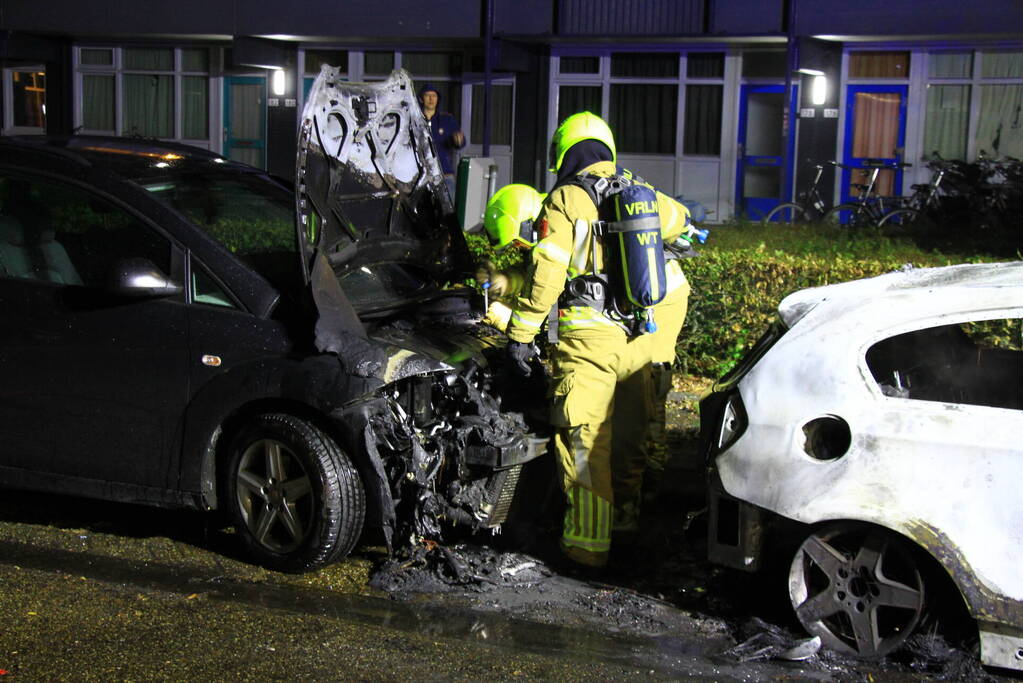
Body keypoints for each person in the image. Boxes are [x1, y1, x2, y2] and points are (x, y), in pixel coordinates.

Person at [501, 112, 692, 570]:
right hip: (642, 332)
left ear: (563, 154)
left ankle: (585, 550)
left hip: (590, 338)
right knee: (628, 433)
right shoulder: (638, 188)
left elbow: (548, 272)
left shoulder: (565, 197)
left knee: (586, 441)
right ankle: (625, 530)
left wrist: (521, 334)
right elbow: (682, 221)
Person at [418, 83, 465, 198]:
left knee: (449, 206)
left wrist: (458, 140)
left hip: (444, 174)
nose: (431, 99)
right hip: (420, 176)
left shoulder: (447, 120)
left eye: (434, 96)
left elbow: (460, 143)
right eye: (427, 95)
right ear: (421, 99)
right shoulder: (415, 120)